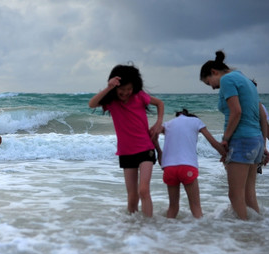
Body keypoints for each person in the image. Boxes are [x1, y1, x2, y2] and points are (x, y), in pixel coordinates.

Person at [200, 50, 269, 220]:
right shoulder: (246, 81)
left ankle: (242, 233)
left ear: (214, 72)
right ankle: (255, 230)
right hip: (255, 141)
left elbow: (236, 112)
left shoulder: (227, 80)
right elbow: (261, 115)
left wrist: (225, 139)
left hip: (241, 140)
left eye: (210, 83)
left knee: (235, 195)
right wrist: (264, 145)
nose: (214, 88)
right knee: (249, 193)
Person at [89, 64, 164, 217]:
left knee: (143, 190)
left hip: (145, 148)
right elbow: (92, 104)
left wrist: (158, 123)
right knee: (132, 196)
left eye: (128, 89)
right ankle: (134, 226)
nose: (125, 93)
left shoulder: (139, 96)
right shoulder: (111, 102)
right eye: (121, 90)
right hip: (126, 152)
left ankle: (149, 226)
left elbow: (159, 104)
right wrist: (109, 87)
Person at [157, 109, 226, 218]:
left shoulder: (168, 124)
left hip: (169, 168)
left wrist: (159, 153)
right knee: (195, 207)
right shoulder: (196, 121)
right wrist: (225, 154)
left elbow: (152, 133)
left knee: (173, 207)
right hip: (187, 167)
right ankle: (200, 233)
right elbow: (213, 142)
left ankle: (167, 232)